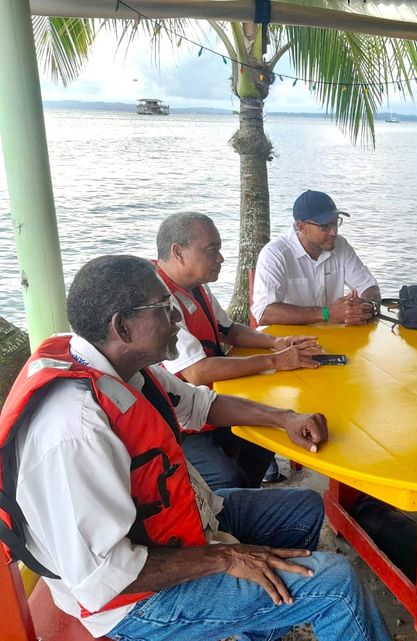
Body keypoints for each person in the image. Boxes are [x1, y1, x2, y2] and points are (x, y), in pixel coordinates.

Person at [0, 255, 392, 641]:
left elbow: (199, 404)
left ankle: (261, 626)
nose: (177, 317)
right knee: (336, 584)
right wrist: (226, 557)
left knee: (304, 509)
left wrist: (285, 418)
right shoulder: (76, 430)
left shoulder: (123, 369)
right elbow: (105, 578)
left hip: (180, 529)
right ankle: (260, 606)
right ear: (122, 327)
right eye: (163, 308)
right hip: (134, 603)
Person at [155, 213, 322, 489]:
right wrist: (275, 361)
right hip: (183, 422)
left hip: (213, 403)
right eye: (212, 250)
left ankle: (245, 495)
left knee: (266, 440)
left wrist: (276, 342)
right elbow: (197, 372)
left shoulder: (196, 287)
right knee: (227, 477)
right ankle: (226, 504)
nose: (220, 258)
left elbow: (230, 329)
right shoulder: (159, 299)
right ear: (178, 252)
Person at [252, 189, 381, 326]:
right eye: (325, 226)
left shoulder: (340, 246)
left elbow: (369, 286)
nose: (334, 232)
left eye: (335, 222)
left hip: (334, 334)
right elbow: (264, 313)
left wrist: (366, 307)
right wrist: (326, 313)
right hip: (290, 338)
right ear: (302, 227)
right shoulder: (275, 254)